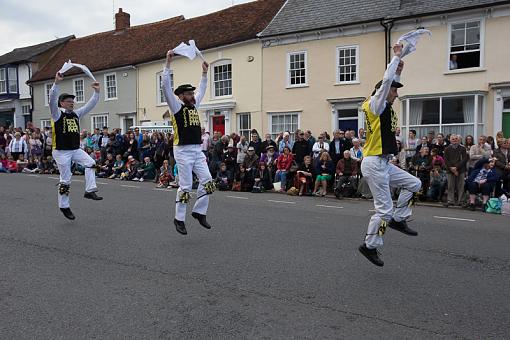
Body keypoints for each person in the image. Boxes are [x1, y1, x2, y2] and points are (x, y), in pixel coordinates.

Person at [358, 43, 422, 267]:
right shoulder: (375, 105)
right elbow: (385, 82)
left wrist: (398, 71)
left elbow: (388, 82)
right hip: (374, 163)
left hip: (383, 162)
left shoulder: (384, 107)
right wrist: (395, 59)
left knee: (414, 184)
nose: (396, 94)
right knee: (383, 211)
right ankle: (369, 246)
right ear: (383, 92)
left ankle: (400, 218)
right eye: (395, 91)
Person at [162, 50, 215, 235]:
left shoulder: (195, 106)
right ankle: (179, 219)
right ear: (181, 96)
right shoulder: (176, 107)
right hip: (182, 151)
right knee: (185, 187)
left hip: (197, 150)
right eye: (188, 93)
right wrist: (168, 64)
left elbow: (203, 88)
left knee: (208, 181)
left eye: (192, 93)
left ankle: (199, 212)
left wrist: (204, 73)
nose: (193, 95)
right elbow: (165, 87)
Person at [49, 71, 102, 220]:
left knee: (91, 163)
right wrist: (56, 83)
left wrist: (97, 92)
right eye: (68, 100)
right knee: (65, 180)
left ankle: (90, 190)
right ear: (61, 103)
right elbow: (52, 99)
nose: (72, 102)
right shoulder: (57, 114)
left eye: (72, 100)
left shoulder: (76, 114)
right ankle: (64, 206)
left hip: (74, 149)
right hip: (61, 151)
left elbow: (90, 105)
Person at [444, 134, 468, 207]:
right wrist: (452, 168)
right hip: (450, 170)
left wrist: (456, 168)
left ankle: (461, 201)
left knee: (461, 186)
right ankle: (450, 200)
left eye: (456, 139)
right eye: (453, 139)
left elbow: (464, 159)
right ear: (450, 140)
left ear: (459, 140)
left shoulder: (463, 148)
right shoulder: (447, 149)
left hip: (460, 170)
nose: (455, 140)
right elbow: (446, 160)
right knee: (450, 186)